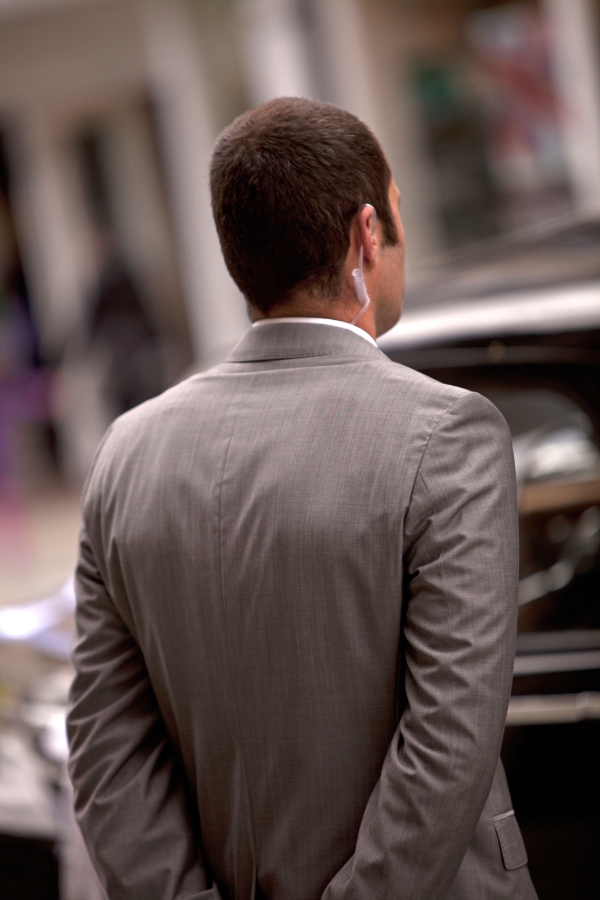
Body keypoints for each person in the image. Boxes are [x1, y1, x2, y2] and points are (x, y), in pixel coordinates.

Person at [67, 97, 537, 900]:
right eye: (396, 217)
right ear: (365, 234)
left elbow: (107, 750)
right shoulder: (448, 434)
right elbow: (450, 742)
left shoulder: (126, 453)